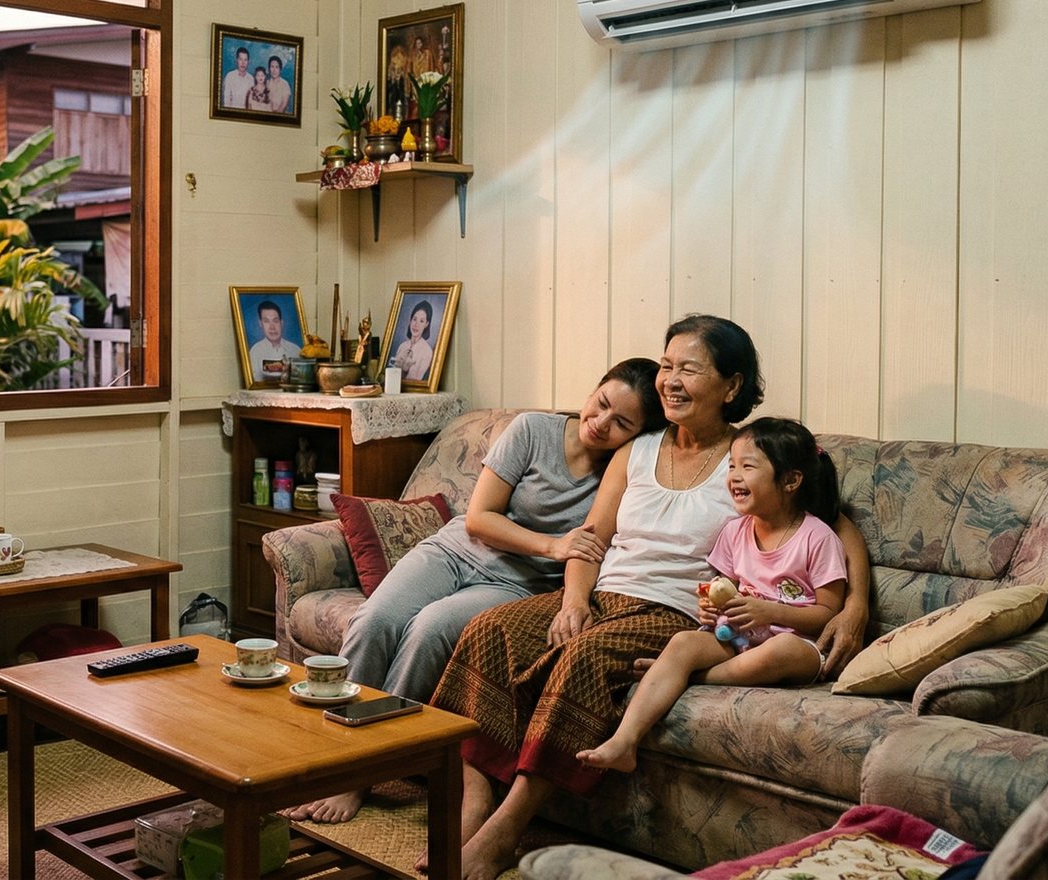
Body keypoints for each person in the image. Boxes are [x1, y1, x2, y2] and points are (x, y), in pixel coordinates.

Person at [426, 314, 872, 880]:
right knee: (487, 629)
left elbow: (834, 522)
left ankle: (506, 829)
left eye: (690, 368)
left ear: (732, 387)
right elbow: (591, 541)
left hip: (677, 610)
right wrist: (574, 602)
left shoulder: (752, 454)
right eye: (666, 365)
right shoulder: (636, 450)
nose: (671, 379)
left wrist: (854, 604)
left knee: (582, 660)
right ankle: (473, 802)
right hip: (607, 591)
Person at [286, 359, 669, 824]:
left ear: (639, 434)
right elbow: (479, 518)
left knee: (428, 632)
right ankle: (331, 754)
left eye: (622, 423)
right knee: (375, 620)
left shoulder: (620, 473)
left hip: (517, 583)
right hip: (454, 550)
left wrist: (564, 577)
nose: (602, 423)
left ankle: (364, 771)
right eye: (602, 403)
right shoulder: (533, 430)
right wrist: (553, 544)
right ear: (593, 391)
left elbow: (591, 547)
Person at [577, 416, 847, 773]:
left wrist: (771, 612)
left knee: (779, 650)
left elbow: (829, 611)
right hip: (738, 638)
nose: (733, 476)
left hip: (797, 645)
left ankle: (699, 677)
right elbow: (721, 587)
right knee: (683, 644)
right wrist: (710, 608)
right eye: (731, 465)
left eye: (747, 467)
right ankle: (624, 741)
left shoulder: (817, 537)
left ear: (791, 480)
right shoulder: (735, 532)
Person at [247, 301, 299, 383]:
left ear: (281, 323)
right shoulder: (255, 352)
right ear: (261, 324)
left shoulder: (295, 350)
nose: (272, 327)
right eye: (266, 321)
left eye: (275, 321)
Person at [392, 301, 435, 381]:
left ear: (426, 324)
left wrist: (405, 371)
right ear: (410, 320)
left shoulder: (427, 351)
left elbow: (416, 380)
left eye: (421, 321)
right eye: (414, 319)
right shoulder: (402, 346)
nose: (416, 324)